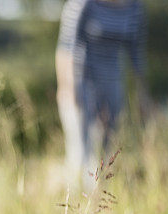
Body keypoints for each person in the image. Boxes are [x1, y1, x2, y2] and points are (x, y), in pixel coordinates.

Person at [56, 0, 148, 189]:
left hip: (113, 82)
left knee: (108, 149)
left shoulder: (134, 7)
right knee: (82, 148)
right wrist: (67, 88)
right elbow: (66, 48)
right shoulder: (83, 4)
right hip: (82, 80)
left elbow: (135, 52)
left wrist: (142, 93)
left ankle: (99, 200)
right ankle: (76, 201)